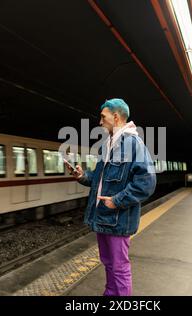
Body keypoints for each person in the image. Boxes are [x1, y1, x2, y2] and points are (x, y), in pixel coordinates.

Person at [65, 98, 156, 296]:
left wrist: (116, 201)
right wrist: (81, 175)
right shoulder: (107, 146)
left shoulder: (134, 144)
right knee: (107, 263)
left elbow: (146, 183)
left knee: (119, 266)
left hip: (118, 218)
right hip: (103, 215)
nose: (100, 122)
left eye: (103, 117)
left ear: (115, 117)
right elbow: (98, 180)